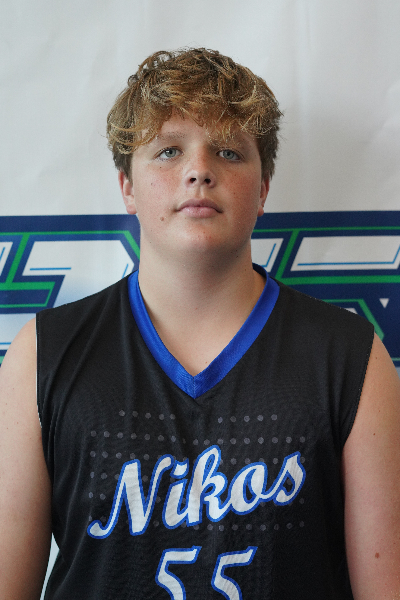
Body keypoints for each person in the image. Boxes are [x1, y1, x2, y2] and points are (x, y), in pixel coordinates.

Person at [0, 48, 399, 600]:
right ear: (127, 186)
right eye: (168, 151)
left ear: (263, 189)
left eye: (229, 152)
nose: (199, 170)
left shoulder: (351, 357)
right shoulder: (42, 354)